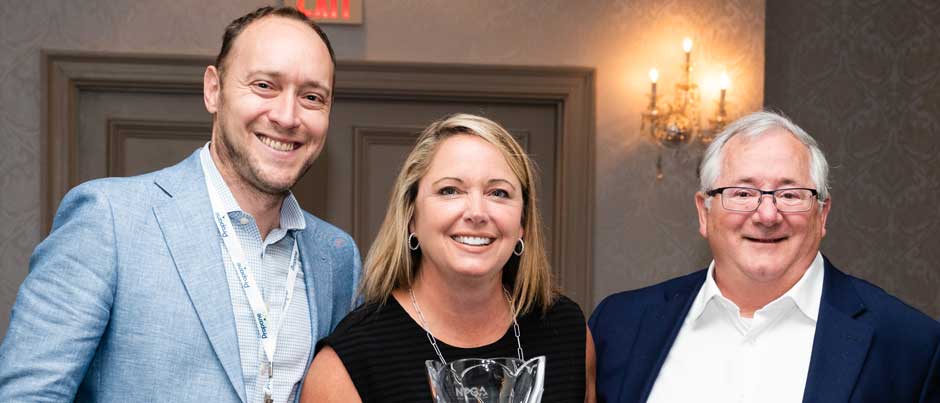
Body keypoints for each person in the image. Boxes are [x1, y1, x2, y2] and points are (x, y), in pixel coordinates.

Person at [0, 6, 361, 402]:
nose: (288, 116)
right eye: (264, 86)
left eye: (312, 97)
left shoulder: (337, 256)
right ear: (214, 90)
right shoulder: (110, 220)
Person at [590, 111, 940, 402]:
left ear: (822, 215)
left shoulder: (909, 344)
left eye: (790, 195)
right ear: (703, 212)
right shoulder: (619, 325)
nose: (767, 215)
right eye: (742, 193)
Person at [300, 113, 596, 402]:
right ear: (411, 218)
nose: (477, 213)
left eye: (499, 193)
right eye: (450, 190)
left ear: (522, 223)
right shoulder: (348, 361)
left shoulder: (567, 331)